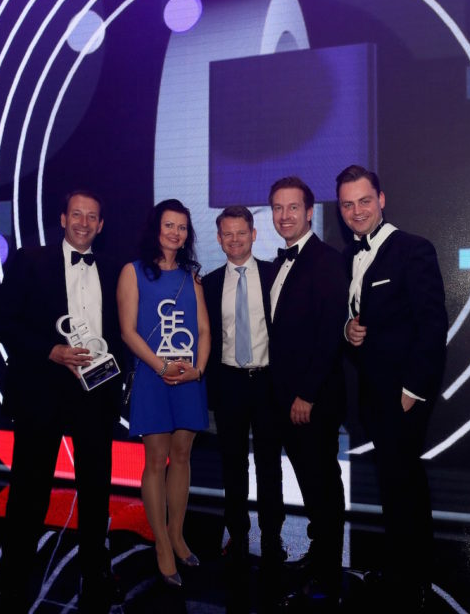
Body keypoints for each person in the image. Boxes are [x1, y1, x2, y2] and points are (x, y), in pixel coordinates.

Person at [0, 190, 123, 612]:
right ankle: (13, 579)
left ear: (101, 225)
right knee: (29, 488)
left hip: (96, 392)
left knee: (96, 487)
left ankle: (96, 571)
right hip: (40, 390)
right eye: (76, 214)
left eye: (92, 217)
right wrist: (52, 351)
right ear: (62, 219)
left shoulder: (115, 268)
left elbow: (123, 329)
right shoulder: (30, 260)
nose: (83, 223)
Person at [337, 165, 448, 610]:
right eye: (348, 204)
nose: (357, 211)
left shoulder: (412, 249)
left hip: (403, 397)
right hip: (372, 395)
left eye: (364, 201)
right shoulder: (348, 257)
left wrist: (413, 392)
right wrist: (348, 329)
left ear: (381, 200)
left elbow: (432, 325)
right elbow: (355, 320)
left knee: (406, 487)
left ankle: (415, 580)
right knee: (392, 485)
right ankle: (401, 570)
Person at [116, 199, 210, 588]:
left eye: (182, 227)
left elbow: (203, 330)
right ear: (156, 228)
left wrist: (198, 370)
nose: (175, 232)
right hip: (154, 376)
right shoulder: (133, 271)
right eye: (169, 225)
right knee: (156, 460)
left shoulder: (192, 277)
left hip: (188, 378)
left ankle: (176, 534)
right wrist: (161, 367)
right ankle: (161, 546)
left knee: (182, 456)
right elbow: (127, 332)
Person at [266, 177, 348, 604]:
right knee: (312, 484)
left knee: (323, 485)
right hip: (285, 399)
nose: (285, 216)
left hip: (311, 401)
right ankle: (319, 557)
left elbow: (330, 334)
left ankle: (329, 575)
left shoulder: (327, 260)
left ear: (310, 212)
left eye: (293, 207)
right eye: (278, 208)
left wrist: (308, 395)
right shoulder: (278, 264)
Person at [203, 206, 286, 567]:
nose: (234, 240)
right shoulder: (208, 284)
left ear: (253, 234)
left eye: (241, 232)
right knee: (232, 464)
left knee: (269, 464)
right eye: (228, 234)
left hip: (267, 382)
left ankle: (272, 537)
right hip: (229, 384)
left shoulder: (275, 275)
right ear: (219, 238)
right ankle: (237, 537)